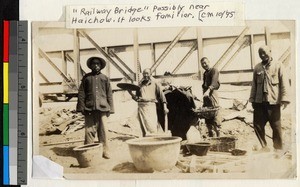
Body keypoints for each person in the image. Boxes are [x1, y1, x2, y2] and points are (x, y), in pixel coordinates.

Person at [249, 45, 290, 151]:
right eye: (260, 53)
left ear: (270, 51)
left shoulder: (278, 65)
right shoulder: (257, 68)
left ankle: (278, 149)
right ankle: (264, 146)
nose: (262, 55)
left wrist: (284, 99)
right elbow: (254, 85)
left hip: (273, 102)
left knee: (276, 127)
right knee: (257, 125)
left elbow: (284, 83)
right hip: (259, 102)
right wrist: (252, 99)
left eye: (264, 52)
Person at [76, 57, 114, 159]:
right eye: (93, 64)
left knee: (103, 131)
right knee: (89, 131)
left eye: (98, 64)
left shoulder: (105, 78)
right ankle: (89, 152)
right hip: (89, 108)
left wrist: (111, 108)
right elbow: (81, 93)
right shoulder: (86, 78)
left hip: (103, 108)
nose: (96, 65)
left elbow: (109, 93)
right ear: (91, 66)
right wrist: (81, 107)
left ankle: (105, 151)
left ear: (101, 66)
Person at [132, 68, 169, 136]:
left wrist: (165, 107)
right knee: (143, 127)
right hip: (141, 108)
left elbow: (162, 96)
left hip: (151, 107)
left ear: (150, 74)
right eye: (144, 73)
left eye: (147, 73)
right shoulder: (140, 85)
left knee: (152, 126)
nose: (146, 75)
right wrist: (130, 92)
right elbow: (136, 98)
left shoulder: (155, 83)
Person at [200, 57, 222, 137]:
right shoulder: (205, 73)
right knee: (207, 114)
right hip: (206, 96)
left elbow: (214, 82)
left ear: (209, 62)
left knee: (215, 112)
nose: (204, 65)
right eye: (202, 64)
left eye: (205, 63)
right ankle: (210, 133)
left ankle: (219, 135)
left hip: (212, 94)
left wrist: (208, 90)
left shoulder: (214, 70)